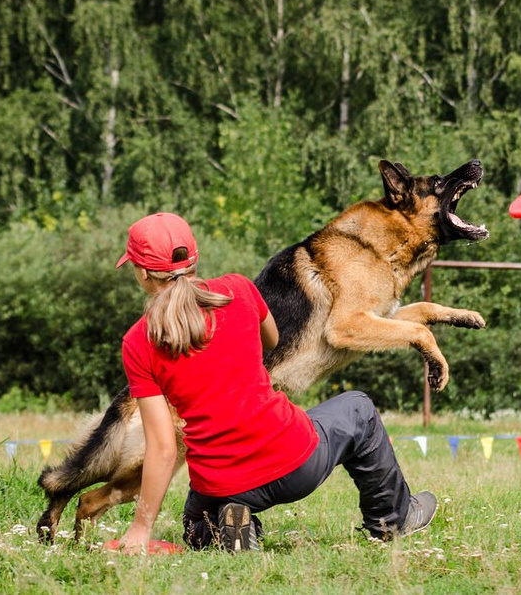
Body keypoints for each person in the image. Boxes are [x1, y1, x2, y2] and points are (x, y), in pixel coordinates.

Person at [114, 212, 437, 554]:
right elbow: (271, 339)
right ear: (195, 258)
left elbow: (164, 448)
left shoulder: (138, 341)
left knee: (197, 527)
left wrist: (141, 528)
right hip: (294, 463)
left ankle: (232, 520)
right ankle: (392, 520)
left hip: (221, 483)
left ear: (144, 273)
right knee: (359, 408)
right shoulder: (238, 289)